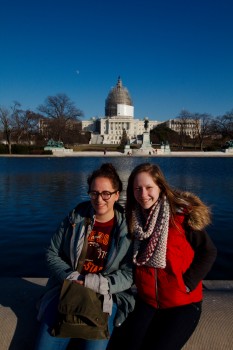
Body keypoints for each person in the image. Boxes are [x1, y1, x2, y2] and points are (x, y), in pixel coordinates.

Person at [34, 163, 135, 350]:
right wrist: (73, 277)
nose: (99, 199)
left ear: (117, 195)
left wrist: (97, 283)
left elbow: (129, 273)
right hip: (68, 288)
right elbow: (51, 253)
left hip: (105, 294)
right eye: (94, 193)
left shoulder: (127, 228)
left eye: (106, 193)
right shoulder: (76, 217)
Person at [123, 162, 217, 350]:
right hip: (148, 301)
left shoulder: (180, 217)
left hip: (182, 302)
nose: (143, 194)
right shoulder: (134, 219)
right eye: (137, 189)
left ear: (160, 187)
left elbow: (208, 252)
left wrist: (188, 283)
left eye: (149, 187)